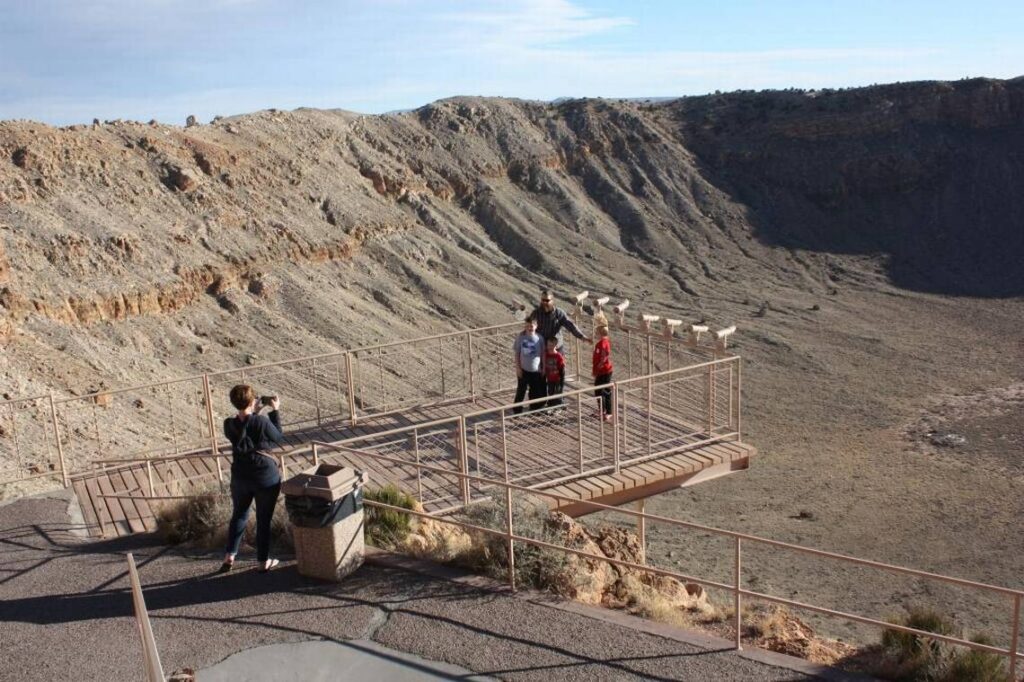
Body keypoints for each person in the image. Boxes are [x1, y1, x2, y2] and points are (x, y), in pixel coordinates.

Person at [220, 385, 285, 573]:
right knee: (263, 519)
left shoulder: (228, 424)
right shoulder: (261, 422)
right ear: (251, 401)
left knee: (239, 514)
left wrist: (253, 412)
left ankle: (229, 556)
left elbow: (243, 432)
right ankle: (263, 561)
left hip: (240, 476)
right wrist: (275, 410)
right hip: (264, 476)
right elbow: (278, 437)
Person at [530, 290, 591, 354]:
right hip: (541, 348)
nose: (544, 302)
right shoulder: (536, 313)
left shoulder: (559, 313)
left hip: (556, 349)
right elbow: (529, 326)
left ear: (552, 301)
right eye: (543, 300)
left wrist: (582, 337)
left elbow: (570, 326)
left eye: (547, 300)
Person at [512, 317, 544, 414]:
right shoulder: (520, 337)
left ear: (536, 326)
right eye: (527, 326)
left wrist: (543, 367)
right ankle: (517, 410)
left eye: (532, 326)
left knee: (535, 390)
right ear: (525, 327)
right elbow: (517, 353)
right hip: (523, 369)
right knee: (521, 390)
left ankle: (534, 408)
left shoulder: (540, 338)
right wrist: (518, 368)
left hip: (536, 370)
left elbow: (543, 353)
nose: (530, 328)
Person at [592, 325, 614, 421]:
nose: (595, 334)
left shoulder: (603, 343)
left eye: (596, 332)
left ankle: (608, 412)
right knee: (599, 390)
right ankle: (602, 410)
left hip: (605, 371)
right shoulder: (601, 343)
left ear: (600, 333)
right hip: (601, 371)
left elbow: (604, 356)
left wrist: (597, 368)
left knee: (604, 391)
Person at [543, 336, 566, 408]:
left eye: (552, 345)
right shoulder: (546, 355)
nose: (550, 347)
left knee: (559, 391)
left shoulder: (558, 356)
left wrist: (562, 379)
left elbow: (562, 368)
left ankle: (560, 403)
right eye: (548, 345)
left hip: (558, 378)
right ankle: (551, 403)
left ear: (556, 346)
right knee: (550, 391)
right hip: (550, 378)